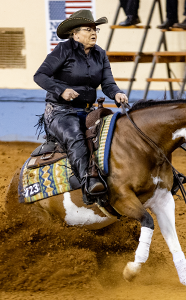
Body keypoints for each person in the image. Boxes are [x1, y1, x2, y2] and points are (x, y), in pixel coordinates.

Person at [34, 10, 128, 200]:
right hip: (60, 112)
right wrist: (62, 90)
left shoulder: (100, 54)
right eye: (88, 29)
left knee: (118, 132)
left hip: (87, 110)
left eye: (95, 29)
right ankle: (89, 183)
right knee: (75, 137)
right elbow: (40, 75)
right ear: (75, 34)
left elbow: (108, 83)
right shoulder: (63, 49)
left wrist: (117, 93)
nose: (93, 33)